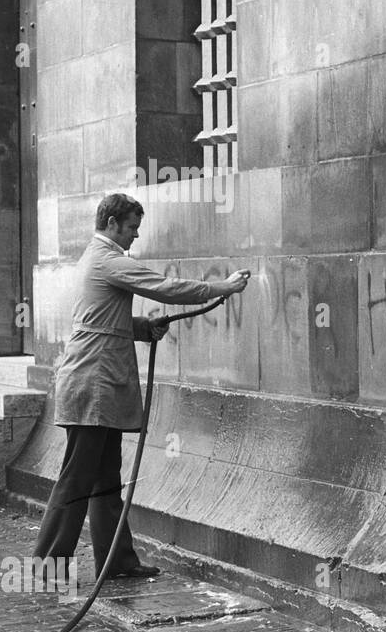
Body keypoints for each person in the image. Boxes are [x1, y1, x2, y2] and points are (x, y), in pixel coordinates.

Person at [33, 193, 250, 582]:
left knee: (105, 480)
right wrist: (222, 287)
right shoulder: (109, 259)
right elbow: (163, 287)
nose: (135, 236)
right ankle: (49, 564)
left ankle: (117, 563)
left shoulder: (94, 259)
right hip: (94, 387)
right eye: (131, 227)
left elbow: (99, 318)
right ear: (112, 223)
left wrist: (143, 329)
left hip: (98, 387)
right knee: (78, 478)